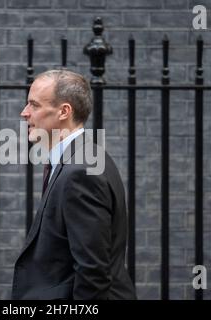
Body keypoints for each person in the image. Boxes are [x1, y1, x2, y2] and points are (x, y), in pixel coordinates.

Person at [11, 70, 136, 300]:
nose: (24, 113)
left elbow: (93, 272)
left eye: (34, 105)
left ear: (64, 111)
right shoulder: (80, 159)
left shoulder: (80, 172)